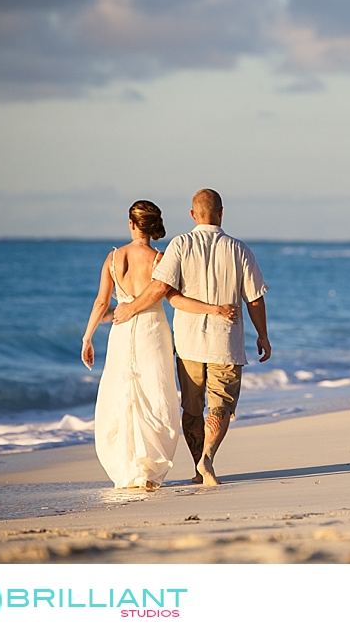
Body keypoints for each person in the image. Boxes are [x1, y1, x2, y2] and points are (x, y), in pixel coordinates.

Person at [114, 189, 271, 486]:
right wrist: (263, 335)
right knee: (221, 405)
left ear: (192, 215)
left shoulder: (180, 244)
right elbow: (255, 300)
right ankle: (208, 456)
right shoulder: (239, 249)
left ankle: (198, 469)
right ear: (221, 213)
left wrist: (130, 309)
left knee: (192, 409)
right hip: (226, 343)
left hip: (188, 344)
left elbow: (161, 287)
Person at [81, 200, 236, 489]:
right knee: (154, 396)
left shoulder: (113, 258)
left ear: (131, 223)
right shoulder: (159, 258)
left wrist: (87, 337)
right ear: (152, 227)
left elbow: (102, 302)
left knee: (123, 396)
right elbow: (173, 299)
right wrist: (213, 309)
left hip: (122, 331)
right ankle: (149, 467)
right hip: (153, 332)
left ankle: (127, 469)